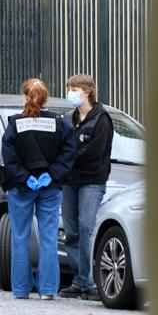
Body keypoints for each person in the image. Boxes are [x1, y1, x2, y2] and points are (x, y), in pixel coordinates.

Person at [0, 78, 76, 300]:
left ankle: (21, 290)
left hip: (21, 187)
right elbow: (69, 152)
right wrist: (51, 175)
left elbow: (10, 157)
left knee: (21, 237)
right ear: (45, 99)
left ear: (25, 97)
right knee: (49, 238)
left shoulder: (15, 124)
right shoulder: (59, 123)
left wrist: (24, 177)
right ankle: (48, 290)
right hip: (50, 186)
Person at [59, 74, 113, 301]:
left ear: (87, 91)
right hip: (70, 181)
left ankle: (90, 281)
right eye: (69, 88)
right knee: (70, 231)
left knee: (85, 228)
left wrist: (68, 158)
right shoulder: (68, 119)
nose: (70, 92)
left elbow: (94, 151)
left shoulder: (101, 119)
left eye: (74, 88)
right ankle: (80, 279)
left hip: (91, 180)